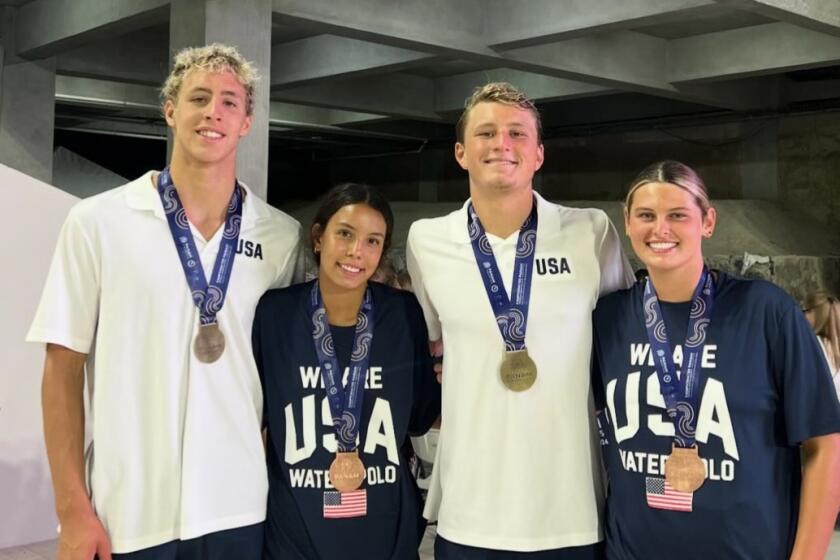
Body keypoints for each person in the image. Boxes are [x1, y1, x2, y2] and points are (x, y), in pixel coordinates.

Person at [27, 44, 302, 560]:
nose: (212, 113)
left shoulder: (280, 237)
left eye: (228, 102)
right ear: (170, 109)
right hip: (128, 512)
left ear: (246, 121)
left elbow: (285, 373)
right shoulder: (98, 222)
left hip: (239, 508)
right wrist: (71, 510)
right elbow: (62, 367)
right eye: (198, 98)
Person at [406, 82, 634, 558]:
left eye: (517, 134)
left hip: (571, 513)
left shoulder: (590, 233)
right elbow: (432, 344)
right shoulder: (426, 240)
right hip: (469, 511)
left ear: (539, 154)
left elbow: (625, 348)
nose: (501, 144)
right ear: (461, 152)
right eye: (485, 133)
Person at [591, 160, 840, 559]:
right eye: (646, 216)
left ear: (707, 222)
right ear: (627, 223)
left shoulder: (765, 312)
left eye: (678, 215)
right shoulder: (608, 319)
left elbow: (824, 445)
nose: (660, 229)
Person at [252, 182, 441, 559]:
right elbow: (256, 420)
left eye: (373, 241)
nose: (357, 251)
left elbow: (420, 418)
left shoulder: (403, 315)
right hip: (295, 537)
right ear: (318, 237)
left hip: (386, 533)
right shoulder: (274, 314)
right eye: (345, 234)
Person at [803, 291, 840, 401]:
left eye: (805, 310)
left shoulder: (813, 345)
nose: (802, 315)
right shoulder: (833, 349)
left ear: (814, 312)